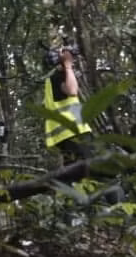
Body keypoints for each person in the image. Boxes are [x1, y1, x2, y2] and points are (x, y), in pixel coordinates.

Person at [43, 46, 124, 204]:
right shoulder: (57, 77)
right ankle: (117, 207)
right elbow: (72, 90)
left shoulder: (53, 80)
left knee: (75, 176)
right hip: (73, 134)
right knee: (103, 171)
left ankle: (76, 209)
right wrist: (68, 66)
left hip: (67, 136)